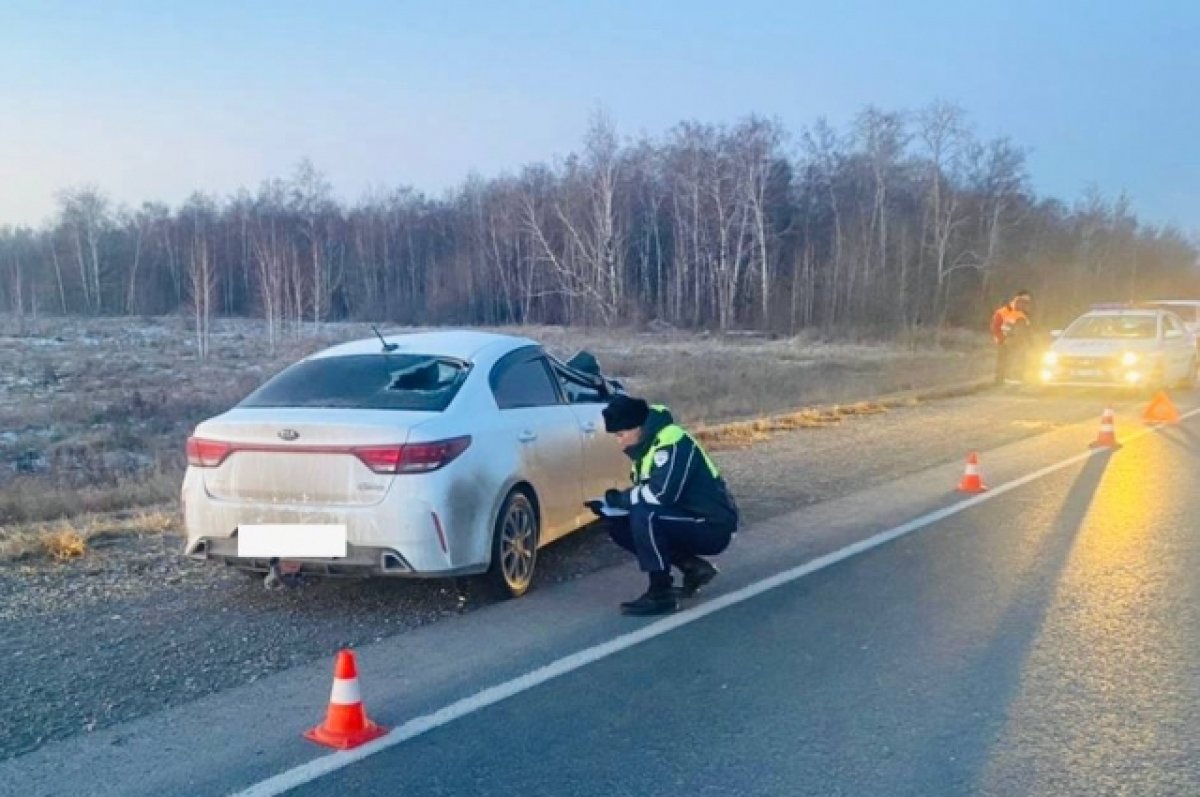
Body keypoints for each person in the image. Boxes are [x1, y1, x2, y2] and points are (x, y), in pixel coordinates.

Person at [592, 394, 739, 616]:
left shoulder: (673, 442)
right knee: (618, 524)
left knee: (645, 515)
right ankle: (693, 567)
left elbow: (659, 495)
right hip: (685, 518)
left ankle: (661, 593)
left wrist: (620, 499)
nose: (618, 441)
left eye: (621, 434)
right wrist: (610, 507)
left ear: (638, 427)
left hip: (712, 524)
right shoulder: (646, 448)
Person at [991, 290, 1032, 384]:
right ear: (1016, 299)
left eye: (1027, 302)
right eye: (1022, 301)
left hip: (1019, 344)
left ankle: (1016, 381)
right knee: (1003, 363)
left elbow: (1027, 330)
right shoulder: (1003, 312)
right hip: (1005, 343)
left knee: (1018, 363)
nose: (1025, 304)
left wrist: (1029, 343)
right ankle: (1000, 381)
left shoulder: (1024, 314)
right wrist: (1002, 340)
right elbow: (995, 327)